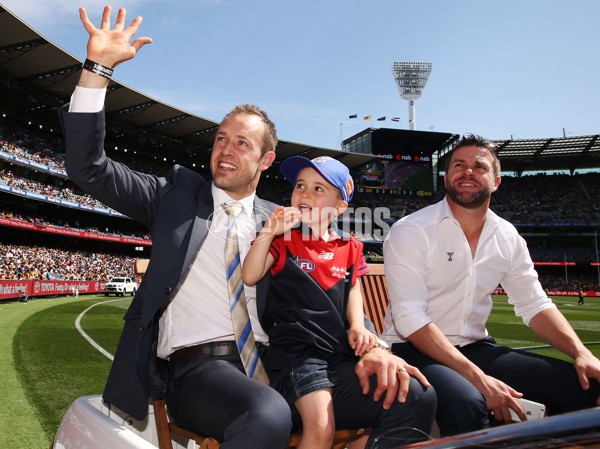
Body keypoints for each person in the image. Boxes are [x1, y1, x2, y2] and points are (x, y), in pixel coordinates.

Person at [58, 6, 436, 449]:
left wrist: (371, 344)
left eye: (242, 143)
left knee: (413, 396)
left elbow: (335, 286)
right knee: (267, 414)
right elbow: (89, 168)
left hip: (279, 366)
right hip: (198, 370)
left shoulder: (285, 221)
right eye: (221, 138)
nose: (226, 149)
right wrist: (97, 69)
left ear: (266, 160)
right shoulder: (174, 196)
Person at [381, 134, 600, 437]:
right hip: (414, 349)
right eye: (459, 165)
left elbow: (534, 303)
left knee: (587, 386)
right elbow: (410, 318)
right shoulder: (412, 230)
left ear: (497, 181)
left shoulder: (507, 235)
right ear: (446, 178)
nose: (468, 172)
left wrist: (581, 353)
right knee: (468, 401)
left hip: (476, 347)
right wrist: (480, 379)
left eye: (479, 166)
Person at [243, 156, 432, 449]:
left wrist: (358, 324)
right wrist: (268, 232)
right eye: (300, 185)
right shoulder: (284, 239)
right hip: (298, 357)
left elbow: (353, 287)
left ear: (340, 206)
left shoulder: (350, 246)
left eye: (319, 189)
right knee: (321, 429)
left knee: (386, 408)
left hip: (340, 355)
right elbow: (250, 274)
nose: (304, 193)